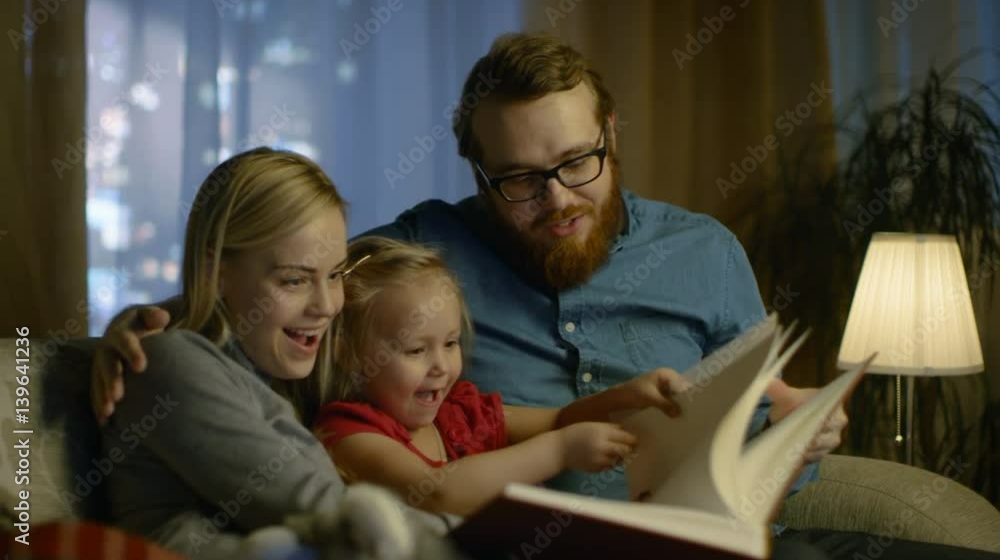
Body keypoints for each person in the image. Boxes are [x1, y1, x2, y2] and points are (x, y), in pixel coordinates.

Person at [93, 34, 1000, 560]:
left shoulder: (706, 252)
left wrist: (797, 432)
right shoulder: (422, 245)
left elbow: (764, 417)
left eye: (577, 163)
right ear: (478, 173)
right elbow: (285, 284)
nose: (558, 199)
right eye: (520, 181)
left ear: (610, 131)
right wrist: (143, 321)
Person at [98, 147, 459, 560]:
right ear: (216, 272)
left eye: (336, 274)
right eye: (294, 281)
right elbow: (317, 505)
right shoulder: (166, 361)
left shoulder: (291, 361)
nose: (326, 305)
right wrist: (473, 539)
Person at [314, 236, 691, 516]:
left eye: (450, 343)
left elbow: (560, 419)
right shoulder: (348, 433)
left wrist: (629, 396)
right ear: (348, 354)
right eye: (415, 350)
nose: (441, 366)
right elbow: (435, 494)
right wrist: (560, 451)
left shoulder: (460, 413)